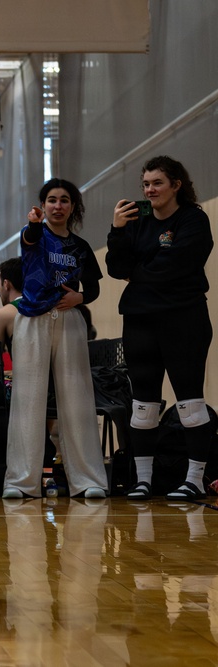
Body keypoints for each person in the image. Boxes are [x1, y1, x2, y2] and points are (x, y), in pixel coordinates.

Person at [106, 156, 214, 500]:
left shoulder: (193, 219)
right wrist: (118, 230)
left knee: (190, 404)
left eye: (157, 183)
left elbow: (176, 265)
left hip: (184, 319)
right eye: (145, 185)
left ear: (176, 185)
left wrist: (137, 274)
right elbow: (115, 266)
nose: (149, 190)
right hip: (140, 321)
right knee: (143, 406)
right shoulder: (137, 222)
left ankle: (194, 480)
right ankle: (144, 480)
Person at [3, 178, 109, 500]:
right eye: (52, 200)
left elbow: (93, 287)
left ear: (72, 207)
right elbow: (31, 235)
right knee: (28, 400)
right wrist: (33, 224)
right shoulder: (33, 235)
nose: (58, 205)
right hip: (32, 320)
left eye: (64, 200)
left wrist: (81, 298)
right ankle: (21, 482)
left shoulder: (80, 246)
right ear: (42, 205)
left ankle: (88, 479)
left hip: (70, 320)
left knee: (77, 399)